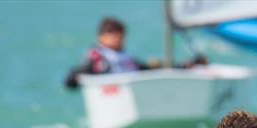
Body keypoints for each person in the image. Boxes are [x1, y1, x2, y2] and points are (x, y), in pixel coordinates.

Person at [64, 17, 206, 90]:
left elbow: (148, 69)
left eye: (120, 35)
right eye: (113, 35)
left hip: (133, 95)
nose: (118, 39)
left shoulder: (126, 57)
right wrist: (74, 78)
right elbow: (74, 77)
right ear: (102, 37)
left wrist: (186, 65)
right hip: (112, 97)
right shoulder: (97, 58)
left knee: (157, 66)